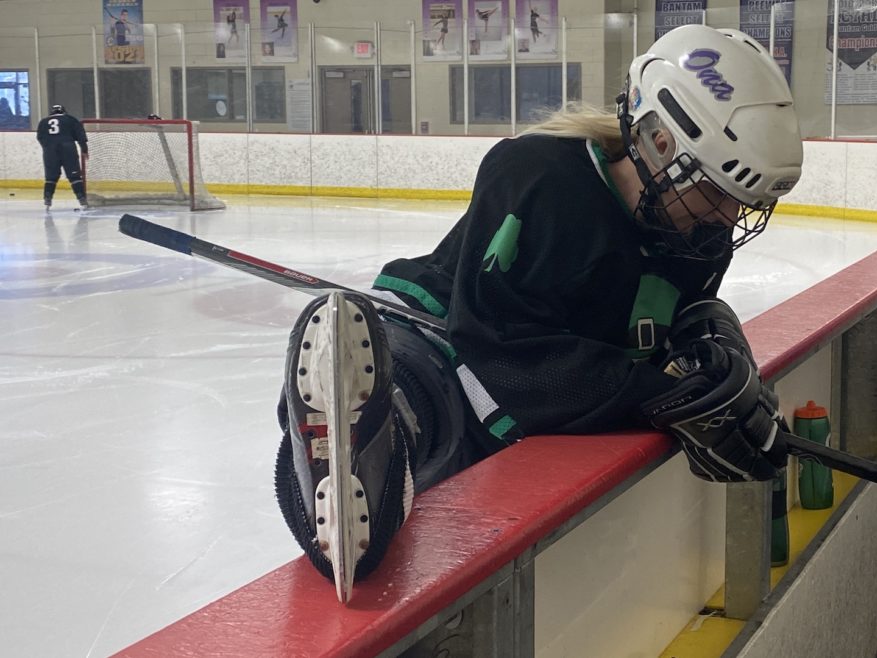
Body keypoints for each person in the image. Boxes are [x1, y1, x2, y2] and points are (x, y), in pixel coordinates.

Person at [272, 24, 804, 583]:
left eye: (740, 202)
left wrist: (705, 367)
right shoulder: (540, 177)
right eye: (717, 192)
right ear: (661, 144)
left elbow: (651, 339)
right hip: (438, 322)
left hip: (528, 366)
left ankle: (366, 450)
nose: (726, 218)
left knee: (453, 431)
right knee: (422, 391)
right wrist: (658, 394)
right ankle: (359, 438)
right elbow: (497, 351)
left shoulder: (701, 237)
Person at [36, 104, 88, 210]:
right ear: (63, 111)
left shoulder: (43, 122)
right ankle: (82, 199)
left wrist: (48, 148)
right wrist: (84, 149)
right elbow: (81, 135)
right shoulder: (70, 119)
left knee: (51, 177)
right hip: (68, 149)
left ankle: (47, 198)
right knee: (74, 176)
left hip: (50, 151)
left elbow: (40, 137)